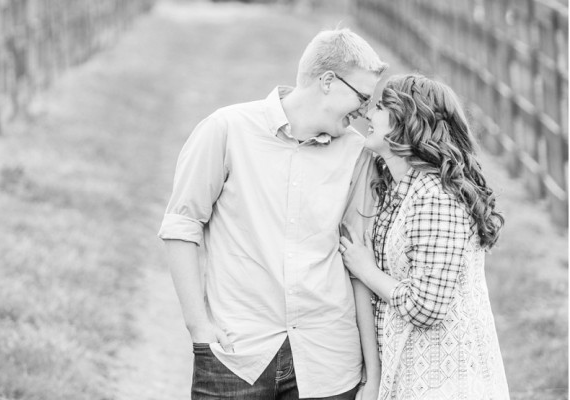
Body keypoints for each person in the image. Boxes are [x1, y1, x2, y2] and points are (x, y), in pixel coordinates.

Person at [158, 28, 388, 399]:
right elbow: (181, 225)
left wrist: (372, 374)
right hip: (236, 357)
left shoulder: (358, 154)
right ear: (327, 81)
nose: (365, 111)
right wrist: (198, 327)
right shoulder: (227, 129)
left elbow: (359, 260)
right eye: (362, 97)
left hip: (329, 363)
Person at [339, 74, 510, 399]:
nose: (368, 114)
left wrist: (366, 270)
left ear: (408, 121)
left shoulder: (434, 197)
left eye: (380, 107)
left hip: (446, 380)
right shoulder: (400, 188)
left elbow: (427, 307)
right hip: (414, 370)